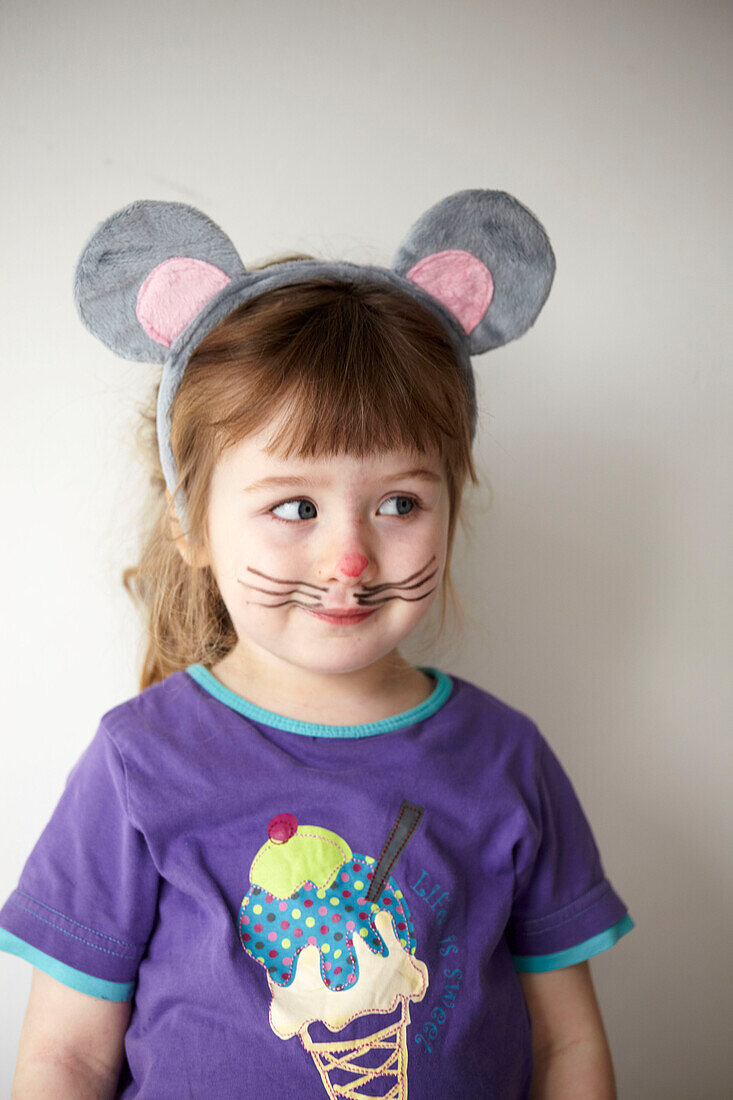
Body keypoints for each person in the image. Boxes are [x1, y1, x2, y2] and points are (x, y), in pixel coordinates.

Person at [0, 190, 633, 1098]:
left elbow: (566, 1047)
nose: (349, 558)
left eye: (400, 504)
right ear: (192, 523)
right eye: (294, 507)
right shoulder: (137, 764)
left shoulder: (505, 758)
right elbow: (65, 1058)